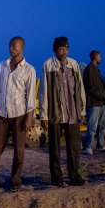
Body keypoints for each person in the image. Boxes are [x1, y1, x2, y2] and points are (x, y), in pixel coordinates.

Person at [0, 36, 36, 191]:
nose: (11, 49)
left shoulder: (29, 70)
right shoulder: (2, 66)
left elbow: (30, 95)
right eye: (10, 46)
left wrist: (29, 117)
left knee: (19, 150)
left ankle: (15, 181)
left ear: (22, 48)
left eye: (15, 46)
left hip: (19, 115)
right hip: (3, 114)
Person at [39, 37, 87, 187]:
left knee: (74, 147)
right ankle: (57, 178)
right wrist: (44, 114)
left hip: (72, 113)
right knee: (55, 148)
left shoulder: (74, 65)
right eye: (60, 48)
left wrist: (82, 110)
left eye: (66, 48)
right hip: (55, 114)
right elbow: (43, 92)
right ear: (55, 50)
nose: (63, 51)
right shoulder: (48, 65)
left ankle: (74, 176)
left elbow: (80, 88)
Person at [83, 50, 105, 155]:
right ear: (95, 57)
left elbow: (100, 87)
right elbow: (90, 88)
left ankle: (100, 146)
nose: (101, 58)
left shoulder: (96, 69)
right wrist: (103, 96)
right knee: (92, 126)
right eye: (100, 56)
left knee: (102, 126)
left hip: (101, 103)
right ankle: (88, 147)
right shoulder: (89, 69)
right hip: (93, 103)